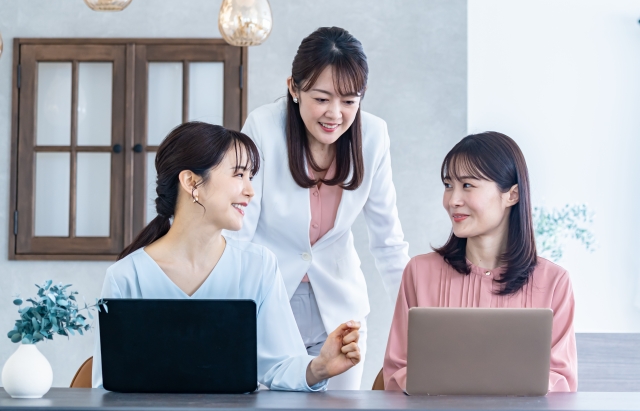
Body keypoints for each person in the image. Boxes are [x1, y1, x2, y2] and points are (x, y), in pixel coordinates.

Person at [92, 122, 361, 392]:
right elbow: (108, 388)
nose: (250, 191)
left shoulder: (259, 265)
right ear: (191, 182)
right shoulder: (126, 277)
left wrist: (320, 366)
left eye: (250, 177)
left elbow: (279, 365)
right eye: (239, 174)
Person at [229, 27, 410, 389]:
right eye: (322, 98)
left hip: (341, 311)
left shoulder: (373, 136)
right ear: (294, 88)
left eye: (349, 101)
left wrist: (415, 320)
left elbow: (388, 242)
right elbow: (239, 229)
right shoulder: (264, 127)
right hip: (270, 301)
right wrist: (227, 313)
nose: (335, 114)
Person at [383, 131, 578, 392]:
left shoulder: (554, 282)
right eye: (448, 185)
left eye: (467, 185)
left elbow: (562, 383)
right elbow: (396, 372)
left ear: (512, 195)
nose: (452, 200)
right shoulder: (419, 272)